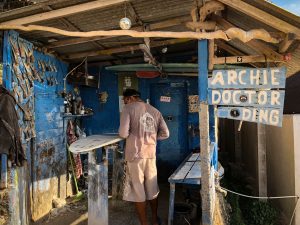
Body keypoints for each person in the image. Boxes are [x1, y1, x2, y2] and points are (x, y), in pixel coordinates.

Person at [119, 88, 169, 225]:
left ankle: (144, 223)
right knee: (152, 188)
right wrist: (151, 139)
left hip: (135, 155)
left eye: (124, 100)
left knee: (138, 190)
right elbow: (166, 134)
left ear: (129, 98)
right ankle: (154, 219)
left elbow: (123, 133)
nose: (124, 103)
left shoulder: (129, 108)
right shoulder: (155, 111)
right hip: (150, 154)